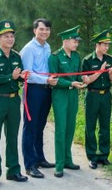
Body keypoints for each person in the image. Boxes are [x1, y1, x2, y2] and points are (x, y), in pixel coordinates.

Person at [0, 20, 29, 188]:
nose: (10, 39)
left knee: (12, 137)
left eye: (12, 36)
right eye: (6, 36)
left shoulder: (17, 57)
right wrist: (11, 76)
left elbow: (19, 77)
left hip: (13, 100)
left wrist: (23, 77)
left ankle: (14, 170)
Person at [48, 25, 88, 177]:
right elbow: (53, 79)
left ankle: (67, 159)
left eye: (77, 42)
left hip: (73, 95)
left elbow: (77, 75)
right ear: (65, 41)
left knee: (70, 127)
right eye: (74, 41)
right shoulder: (55, 57)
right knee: (61, 129)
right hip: (60, 95)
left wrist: (82, 79)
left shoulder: (77, 56)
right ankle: (59, 164)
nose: (76, 44)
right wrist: (71, 83)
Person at [20, 18, 57, 179]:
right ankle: (29, 165)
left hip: (46, 90)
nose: (45, 32)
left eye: (47, 29)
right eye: (41, 29)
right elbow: (27, 74)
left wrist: (52, 78)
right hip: (33, 90)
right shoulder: (29, 49)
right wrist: (46, 80)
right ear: (34, 30)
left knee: (40, 126)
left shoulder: (47, 46)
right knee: (30, 127)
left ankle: (39, 158)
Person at [82, 29, 112, 169]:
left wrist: (111, 74)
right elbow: (87, 81)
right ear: (97, 44)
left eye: (108, 45)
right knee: (90, 126)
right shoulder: (88, 60)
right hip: (92, 95)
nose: (107, 47)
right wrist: (100, 71)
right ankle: (92, 156)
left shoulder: (110, 59)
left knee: (105, 126)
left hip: (106, 95)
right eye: (104, 44)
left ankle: (103, 155)